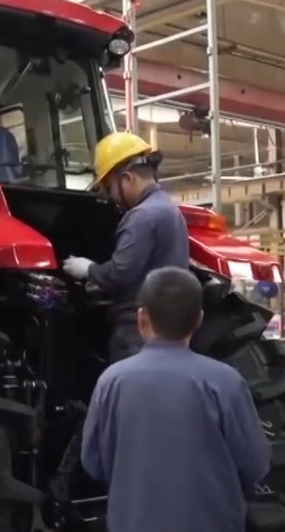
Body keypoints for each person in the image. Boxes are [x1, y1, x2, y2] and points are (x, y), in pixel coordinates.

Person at [80, 267, 270, 532]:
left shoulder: (112, 382)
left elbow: (93, 462)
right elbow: (255, 464)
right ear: (199, 319)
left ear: (142, 318)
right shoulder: (225, 382)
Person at [61, 132, 190, 361]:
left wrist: (89, 269)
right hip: (166, 324)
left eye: (109, 187)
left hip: (136, 330)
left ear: (128, 178)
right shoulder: (170, 209)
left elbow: (121, 273)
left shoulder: (140, 216)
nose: (111, 197)